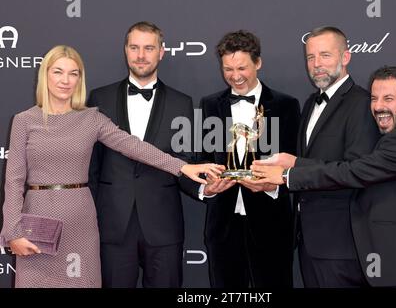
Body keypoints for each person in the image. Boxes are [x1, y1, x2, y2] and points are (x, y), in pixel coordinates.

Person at [0, 45, 223, 288]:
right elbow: (13, 181)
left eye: (73, 73)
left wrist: (182, 167)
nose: (65, 80)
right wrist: (13, 232)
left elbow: (134, 147)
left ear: (80, 79)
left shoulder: (91, 118)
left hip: (80, 220)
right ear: (45, 75)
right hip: (38, 219)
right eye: (58, 72)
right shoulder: (24, 121)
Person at [252, 66, 396, 287]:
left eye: (389, 98)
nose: (378, 107)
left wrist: (287, 175)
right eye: (374, 98)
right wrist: (296, 162)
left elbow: (352, 172)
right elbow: (355, 167)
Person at [254, 26, 381, 287]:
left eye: (325, 55)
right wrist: (276, 183)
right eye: (310, 57)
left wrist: (291, 171)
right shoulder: (311, 102)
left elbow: (355, 170)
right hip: (308, 242)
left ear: (346, 57)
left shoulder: (362, 105)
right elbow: (305, 169)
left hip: (342, 246)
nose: (316, 64)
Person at [87, 21, 200, 288]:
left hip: (163, 224)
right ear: (125, 50)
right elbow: (90, 166)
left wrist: (205, 188)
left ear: (162, 52)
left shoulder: (182, 102)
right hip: (112, 224)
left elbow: (186, 161)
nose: (141, 55)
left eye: (148, 48)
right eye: (135, 47)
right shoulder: (98, 98)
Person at [198, 30, 301, 287]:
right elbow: (200, 158)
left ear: (258, 63)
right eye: (228, 69)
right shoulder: (210, 105)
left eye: (242, 67)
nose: (235, 76)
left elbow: (298, 164)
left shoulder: (286, 105)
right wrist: (208, 186)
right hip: (223, 224)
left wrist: (273, 186)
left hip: (271, 223)